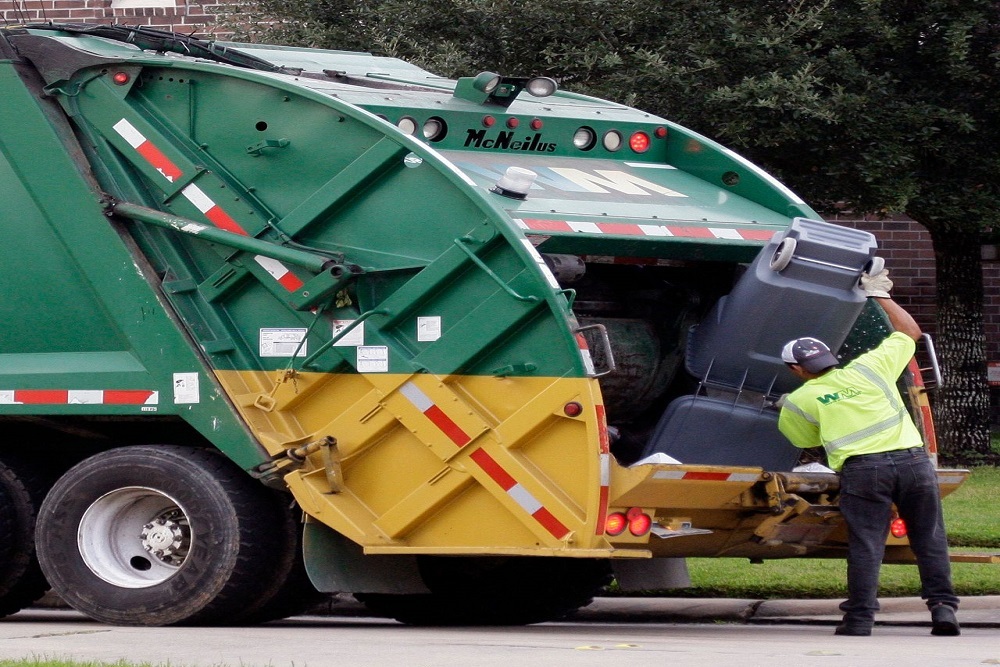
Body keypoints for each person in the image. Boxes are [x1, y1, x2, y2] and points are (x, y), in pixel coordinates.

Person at [776, 268, 960, 637]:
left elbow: (803, 441)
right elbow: (909, 333)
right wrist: (878, 294)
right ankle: (943, 611)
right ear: (831, 356)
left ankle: (859, 620)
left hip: (864, 473)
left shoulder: (799, 400)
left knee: (867, 545)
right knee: (929, 538)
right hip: (913, 463)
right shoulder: (870, 367)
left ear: (797, 369)